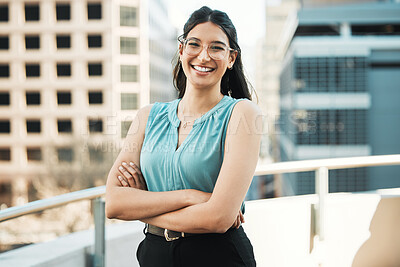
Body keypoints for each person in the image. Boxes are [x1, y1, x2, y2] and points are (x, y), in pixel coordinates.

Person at [105, 6, 261, 267]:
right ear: (181, 51)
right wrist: (190, 196)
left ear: (231, 58)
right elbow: (114, 203)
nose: (203, 56)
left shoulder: (242, 114)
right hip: (154, 254)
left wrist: (143, 209)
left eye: (217, 47)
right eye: (194, 44)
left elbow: (218, 219)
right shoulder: (148, 116)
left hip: (218, 256)